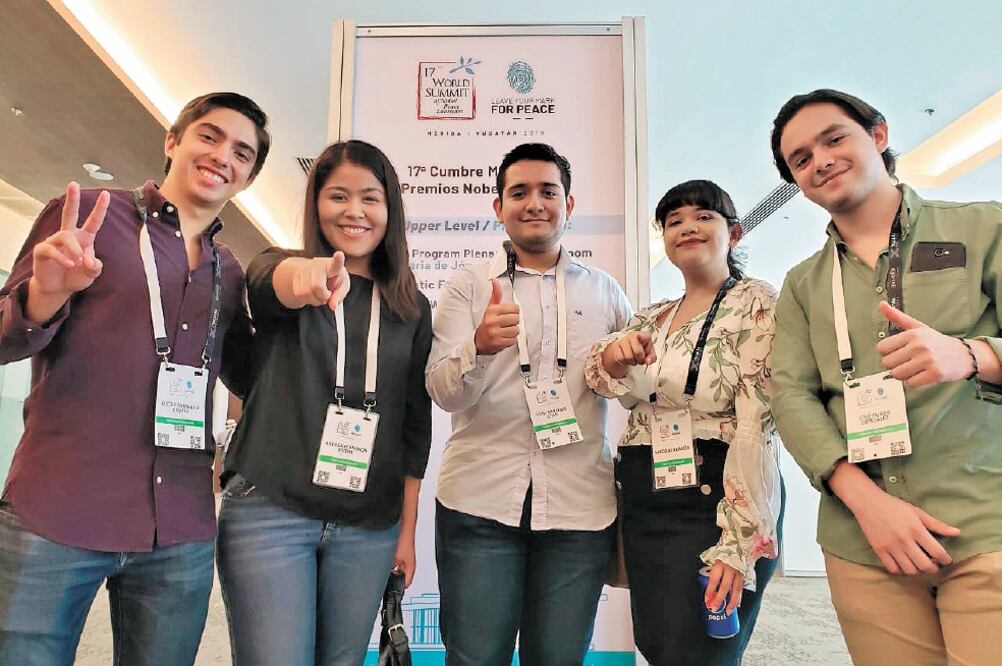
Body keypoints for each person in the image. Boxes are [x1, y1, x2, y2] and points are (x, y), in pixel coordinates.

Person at [0, 92, 269, 664]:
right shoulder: (92, 219)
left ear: (248, 176)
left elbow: (252, 380)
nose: (223, 155)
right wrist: (45, 294)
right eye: (210, 136)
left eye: (242, 152)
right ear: (173, 141)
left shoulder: (230, 273)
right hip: (60, 511)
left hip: (179, 531)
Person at [770, 88, 1002, 665]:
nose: (819, 160)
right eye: (800, 159)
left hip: (985, 525)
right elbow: (791, 395)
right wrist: (867, 502)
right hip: (863, 543)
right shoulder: (802, 284)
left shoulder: (981, 228)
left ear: (877, 135)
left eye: (833, 139)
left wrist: (973, 354)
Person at [216, 139, 432, 666]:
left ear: (390, 210)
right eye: (337, 196)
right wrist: (309, 278)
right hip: (272, 510)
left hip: (368, 524)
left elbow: (413, 430)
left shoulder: (411, 306)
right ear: (315, 204)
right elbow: (274, 286)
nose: (354, 211)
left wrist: (406, 532)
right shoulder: (280, 267)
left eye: (370, 198)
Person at [426, 142, 632, 665]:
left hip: (578, 509)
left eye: (548, 191)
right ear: (499, 206)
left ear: (569, 203)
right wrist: (478, 347)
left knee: (559, 659)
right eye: (519, 192)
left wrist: (623, 367)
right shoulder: (469, 286)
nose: (534, 203)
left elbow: (637, 391)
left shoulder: (604, 291)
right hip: (479, 504)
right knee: (474, 657)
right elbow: (442, 390)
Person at [587, 179, 783, 665]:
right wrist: (615, 356)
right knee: (657, 643)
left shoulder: (755, 302)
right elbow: (599, 375)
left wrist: (738, 544)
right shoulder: (653, 316)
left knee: (702, 650)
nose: (687, 227)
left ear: (733, 233)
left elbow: (758, 423)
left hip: (715, 499)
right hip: (646, 496)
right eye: (674, 221)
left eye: (703, 216)